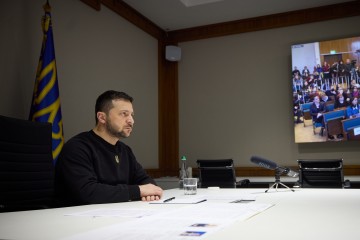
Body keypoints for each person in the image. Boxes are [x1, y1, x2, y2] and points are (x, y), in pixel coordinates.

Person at [55, 90, 163, 206]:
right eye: (124, 114)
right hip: (77, 219)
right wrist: (139, 191)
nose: (131, 120)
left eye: (132, 115)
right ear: (102, 117)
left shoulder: (125, 150)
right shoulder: (77, 147)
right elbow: (88, 192)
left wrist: (151, 190)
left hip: (114, 214)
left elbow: (145, 180)